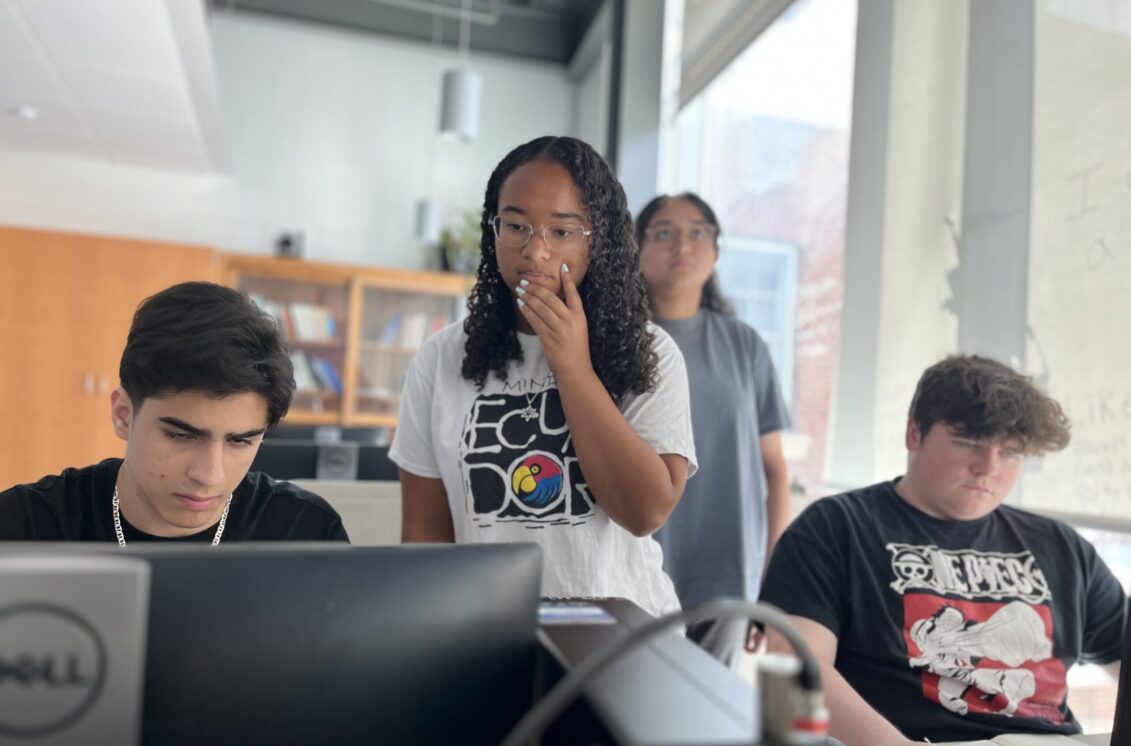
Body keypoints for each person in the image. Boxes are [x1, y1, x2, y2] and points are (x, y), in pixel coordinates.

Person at [761, 355, 1127, 746]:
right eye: (969, 442)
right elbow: (791, 660)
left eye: (1010, 452)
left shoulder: (1062, 547)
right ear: (914, 432)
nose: (988, 467)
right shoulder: (836, 527)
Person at [390, 136, 696, 618]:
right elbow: (426, 533)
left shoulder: (650, 351)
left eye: (562, 231)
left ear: (599, 240)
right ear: (494, 231)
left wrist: (572, 367)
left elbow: (645, 512)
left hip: (619, 640)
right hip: (483, 636)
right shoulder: (440, 357)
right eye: (516, 225)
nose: (534, 251)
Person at [0, 282, 348, 544]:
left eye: (240, 441)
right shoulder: (24, 528)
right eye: (182, 435)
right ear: (124, 415)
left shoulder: (305, 533)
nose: (209, 475)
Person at [635, 192, 791, 666]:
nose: (682, 243)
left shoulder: (745, 345)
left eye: (698, 231)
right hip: (636, 568)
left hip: (725, 576)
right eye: (663, 232)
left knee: (705, 726)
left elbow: (775, 473)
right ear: (637, 250)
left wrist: (772, 585)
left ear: (716, 251)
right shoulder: (613, 343)